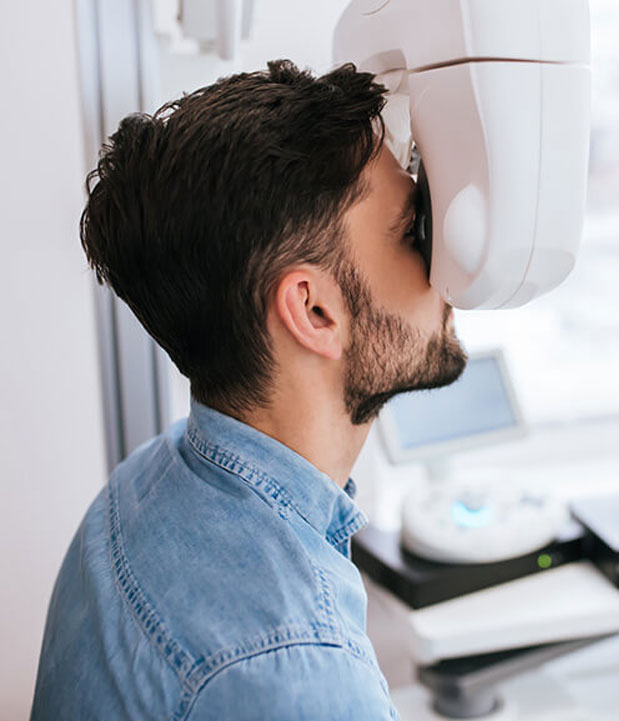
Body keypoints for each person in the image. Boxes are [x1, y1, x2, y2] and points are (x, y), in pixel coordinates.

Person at [31, 59, 467, 721]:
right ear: (314, 310)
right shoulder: (297, 666)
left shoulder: (138, 489)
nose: (444, 262)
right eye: (411, 231)